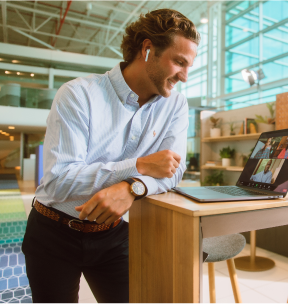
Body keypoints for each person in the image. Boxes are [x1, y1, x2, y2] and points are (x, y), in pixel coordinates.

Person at [22, 9, 200, 304]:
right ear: (147, 50)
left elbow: (173, 171)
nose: (184, 76)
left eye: (188, 65)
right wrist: (139, 165)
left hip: (114, 234)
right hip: (53, 233)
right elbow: (58, 181)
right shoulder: (78, 94)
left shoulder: (176, 105)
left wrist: (133, 187)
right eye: (179, 62)